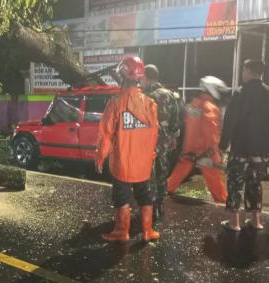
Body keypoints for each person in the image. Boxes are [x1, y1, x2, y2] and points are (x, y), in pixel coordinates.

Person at [95, 55, 160, 242]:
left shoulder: (115, 103)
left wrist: (100, 156)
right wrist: (150, 155)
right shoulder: (150, 104)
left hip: (122, 162)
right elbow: (154, 134)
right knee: (144, 195)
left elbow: (106, 134)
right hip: (144, 163)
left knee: (122, 196)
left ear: (122, 76)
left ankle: (122, 232)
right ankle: (148, 231)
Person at [219, 60, 269, 231]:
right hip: (261, 151)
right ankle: (256, 222)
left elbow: (230, 121)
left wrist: (223, 145)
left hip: (240, 148)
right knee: (255, 184)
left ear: (248, 70)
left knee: (235, 184)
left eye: (243, 70)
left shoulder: (241, 93)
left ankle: (235, 223)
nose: (243, 73)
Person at [167, 76, 229, 204]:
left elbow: (188, 126)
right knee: (219, 190)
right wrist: (215, 154)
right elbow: (211, 133)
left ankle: (160, 196)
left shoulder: (193, 104)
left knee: (172, 181)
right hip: (205, 152)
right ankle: (224, 207)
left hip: (189, 150)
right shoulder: (210, 107)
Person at [141, 64, 183, 223]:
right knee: (162, 171)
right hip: (164, 142)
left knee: (149, 173)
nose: (140, 81)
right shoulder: (170, 95)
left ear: (147, 78)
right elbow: (175, 120)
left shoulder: (146, 96)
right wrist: (174, 137)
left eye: (141, 78)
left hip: (149, 142)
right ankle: (160, 204)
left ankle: (151, 207)